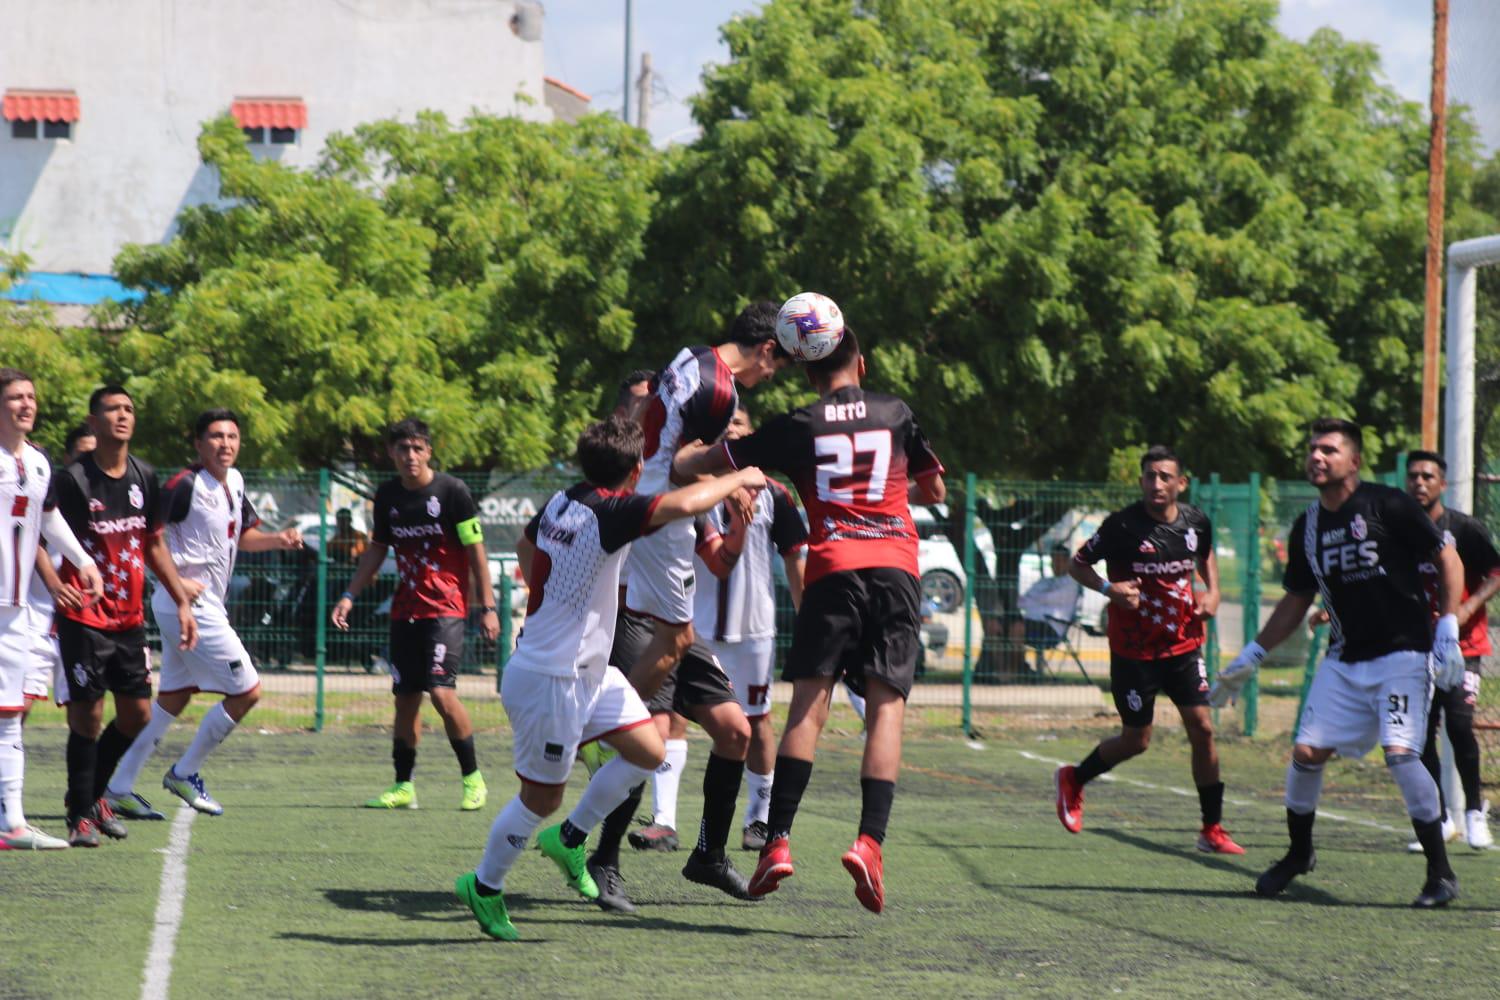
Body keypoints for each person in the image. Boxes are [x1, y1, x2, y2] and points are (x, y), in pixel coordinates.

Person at [455, 415, 768, 941]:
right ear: (636, 468)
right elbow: (686, 504)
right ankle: (484, 887)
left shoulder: (563, 499)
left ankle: (572, 840)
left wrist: (549, 605)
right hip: (552, 676)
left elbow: (531, 547)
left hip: (587, 670)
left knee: (650, 750)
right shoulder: (611, 513)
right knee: (539, 799)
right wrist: (740, 476)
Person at [675, 318, 946, 914]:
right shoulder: (896, 412)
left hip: (832, 570)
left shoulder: (799, 425)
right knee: (885, 713)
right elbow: (934, 491)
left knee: (807, 709)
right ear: (862, 364)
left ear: (807, 368)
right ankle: (870, 842)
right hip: (895, 569)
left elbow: (698, 464)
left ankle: (776, 841)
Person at [1212, 419, 1466, 908]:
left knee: (1401, 754)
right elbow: (1295, 599)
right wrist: (1253, 654)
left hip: (1403, 655)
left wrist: (1448, 626)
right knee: (1306, 754)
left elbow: (1447, 556)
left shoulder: (1389, 504)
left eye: (1329, 449)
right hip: (1345, 659)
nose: (1317, 457)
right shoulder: (1306, 525)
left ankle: (1440, 872)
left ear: (1353, 460)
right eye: (1312, 449)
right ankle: (1299, 853)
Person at [587, 303, 791, 909]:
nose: (774, 376)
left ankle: (707, 854)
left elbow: (720, 558)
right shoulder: (721, 392)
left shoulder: (694, 360)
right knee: (642, 731)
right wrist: (740, 468)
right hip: (653, 543)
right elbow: (678, 463)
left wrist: (724, 498)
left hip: (670, 528)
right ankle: (596, 850)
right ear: (766, 350)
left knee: (733, 730)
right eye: (779, 363)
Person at [102, 410, 303, 817]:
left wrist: (278, 539)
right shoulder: (183, 485)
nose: (225, 443)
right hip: (188, 607)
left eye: (231, 436)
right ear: (198, 443)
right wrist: (176, 581)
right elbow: (142, 538)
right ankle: (184, 771)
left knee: (172, 699)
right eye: (215, 436)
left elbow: (243, 536)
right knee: (248, 691)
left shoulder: (236, 481)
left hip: (199, 608)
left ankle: (117, 786)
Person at [632, 405, 808, 853]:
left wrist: (807, 618)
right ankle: (664, 821)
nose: (730, 431)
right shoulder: (692, 490)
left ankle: (759, 818)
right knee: (670, 717)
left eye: (739, 427)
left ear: (750, 439)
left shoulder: (775, 494)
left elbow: (794, 560)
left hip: (753, 630)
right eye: (723, 428)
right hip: (697, 626)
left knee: (756, 721)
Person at [1054, 446, 1239, 854]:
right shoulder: (1121, 526)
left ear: (1181, 483)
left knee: (1203, 728)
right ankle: (1074, 778)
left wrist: (1213, 592)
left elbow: (1204, 557)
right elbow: (1077, 564)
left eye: (1165, 477)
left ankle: (1212, 828)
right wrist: (1109, 589)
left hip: (1184, 644)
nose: (1156, 484)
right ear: (1141, 481)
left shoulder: (1196, 522)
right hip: (1134, 651)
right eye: (1149, 476)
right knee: (1137, 740)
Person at [51, 385, 199, 847]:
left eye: (129, 408)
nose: (123, 415)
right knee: (88, 716)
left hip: (129, 619)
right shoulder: (73, 480)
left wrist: (180, 599)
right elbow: (44, 536)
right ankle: (80, 814)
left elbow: (154, 543)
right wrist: (58, 588)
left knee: (136, 714)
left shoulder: (145, 477)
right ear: (93, 422)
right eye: (112, 409)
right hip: (85, 618)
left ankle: (93, 798)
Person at [332, 419, 499, 811]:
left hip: (446, 609)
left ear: (429, 451)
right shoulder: (387, 495)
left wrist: (487, 607)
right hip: (405, 610)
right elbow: (376, 548)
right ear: (392, 453)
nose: (411, 455)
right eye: (403, 448)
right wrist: (349, 595)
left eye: (418, 448)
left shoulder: (452, 492)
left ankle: (473, 780)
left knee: (441, 693)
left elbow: (476, 550)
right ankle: (403, 786)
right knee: (405, 700)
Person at [0, 369, 102, 850]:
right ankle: (12, 822)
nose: (26, 404)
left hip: (18, 610)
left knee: (11, 714)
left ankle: (12, 822)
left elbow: (48, 517)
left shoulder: (38, 463)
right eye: (16, 397)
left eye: (30, 396)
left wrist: (82, 561)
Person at [1403, 450, 1500, 850]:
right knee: (1421, 737)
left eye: (1428, 476)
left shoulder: (1464, 528)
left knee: (1460, 725)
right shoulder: (1399, 530)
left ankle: (1476, 813)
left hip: (1464, 646)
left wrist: (1468, 607)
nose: (1420, 482)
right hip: (1414, 648)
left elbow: (1496, 571)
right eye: (1413, 476)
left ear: (1442, 484)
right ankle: (1441, 818)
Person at [1007, 544, 1082, 670]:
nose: (1056, 564)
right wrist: (1039, 600)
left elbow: (1047, 599)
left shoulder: (1071, 584)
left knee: (1017, 628)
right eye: (1053, 560)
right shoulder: (1044, 581)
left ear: (1067, 562)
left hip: (1051, 628)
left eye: (1060, 561)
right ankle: (1008, 668)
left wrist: (1036, 599)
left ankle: (1018, 669)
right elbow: (1023, 601)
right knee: (1001, 625)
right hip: (1031, 621)